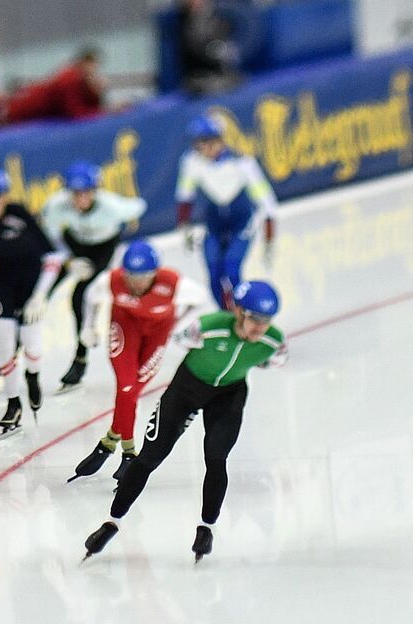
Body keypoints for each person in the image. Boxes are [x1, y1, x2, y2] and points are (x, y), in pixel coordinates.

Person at [83, 280, 286, 562]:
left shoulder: (272, 341)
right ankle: (111, 521)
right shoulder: (208, 326)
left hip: (228, 396)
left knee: (217, 458)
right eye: (254, 319)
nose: (260, 328)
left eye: (266, 321)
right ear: (238, 312)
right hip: (186, 390)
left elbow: (275, 361)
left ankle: (207, 528)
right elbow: (178, 338)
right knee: (150, 457)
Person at [68, 239, 213, 483]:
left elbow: (203, 302)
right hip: (125, 327)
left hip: (157, 334)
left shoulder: (174, 284)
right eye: (130, 276)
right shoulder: (111, 280)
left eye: (143, 276)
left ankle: (108, 442)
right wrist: (88, 327)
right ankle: (129, 452)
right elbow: (90, 297)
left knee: (131, 392)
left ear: (154, 274)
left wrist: (178, 326)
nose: (135, 282)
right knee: (126, 387)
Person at [41, 160, 148, 392]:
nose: (80, 199)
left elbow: (139, 206)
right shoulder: (57, 206)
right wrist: (69, 259)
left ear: (96, 191)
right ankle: (15, 350)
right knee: (40, 289)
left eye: (86, 193)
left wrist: (128, 221)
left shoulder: (112, 207)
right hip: (75, 246)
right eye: (75, 194)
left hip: (102, 249)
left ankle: (80, 359)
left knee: (80, 296)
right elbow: (52, 238)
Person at [0, 169, 64, 434]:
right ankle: (13, 403)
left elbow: (53, 257)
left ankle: (32, 375)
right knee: (4, 345)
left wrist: (40, 296)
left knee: (31, 343)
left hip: (30, 283)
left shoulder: (21, 215)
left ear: (4, 198)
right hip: (1, 285)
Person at [176, 114, 277, 309]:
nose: (202, 149)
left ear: (219, 141)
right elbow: (184, 195)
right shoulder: (191, 161)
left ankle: (245, 313)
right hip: (214, 226)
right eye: (198, 144)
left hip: (241, 224)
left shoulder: (242, 163)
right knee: (214, 275)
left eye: (206, 143)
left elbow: (267, 202)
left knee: (231, 271)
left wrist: (269, 238)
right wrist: (184, 228)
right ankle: (227, 317)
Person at [5, 48, 106, 124]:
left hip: (31, 110)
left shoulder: (80, 81)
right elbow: (75, 113)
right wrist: (105, 112)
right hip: (21, 111)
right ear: (82, 63)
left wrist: (96, 93)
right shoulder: (69, 79)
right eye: (91, 66)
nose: (94, 70)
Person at [177, 0, 241, 97]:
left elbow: (226, 52)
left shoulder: (218, 17)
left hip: (220, 75)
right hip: (196, 80)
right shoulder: (182, 23)